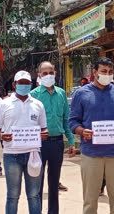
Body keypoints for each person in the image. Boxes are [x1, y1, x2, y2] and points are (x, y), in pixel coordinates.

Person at [69, 57, 114, 214]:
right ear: (94, 72)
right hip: (91, 154)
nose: (107, 75)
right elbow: (73, 122)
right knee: (90, 200)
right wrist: (81, 131)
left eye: (110, 72)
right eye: (104, 71)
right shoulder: (81, 93)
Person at [0, 70, 49, 214]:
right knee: (12, 196)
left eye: (27, 83)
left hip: (33, 155)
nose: (24, 85)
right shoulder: (3, 104)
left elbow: (44, 129)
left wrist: (44, 134)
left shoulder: (38, 105)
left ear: (31, 84)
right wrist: (2, 136)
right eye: (21, 83)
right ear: (14, 84)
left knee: (34, 196)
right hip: (12, 155)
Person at [31, 61, 76, 214]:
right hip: (39, 144)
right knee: (37, 182)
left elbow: (66, 119)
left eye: (51, 72)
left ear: (55, 73)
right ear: (39, 75)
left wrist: (70, 141)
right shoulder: (33, 95)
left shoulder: (61, 93)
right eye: (45, 73)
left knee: (54, 182)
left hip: (57, 143)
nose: (48, 75)